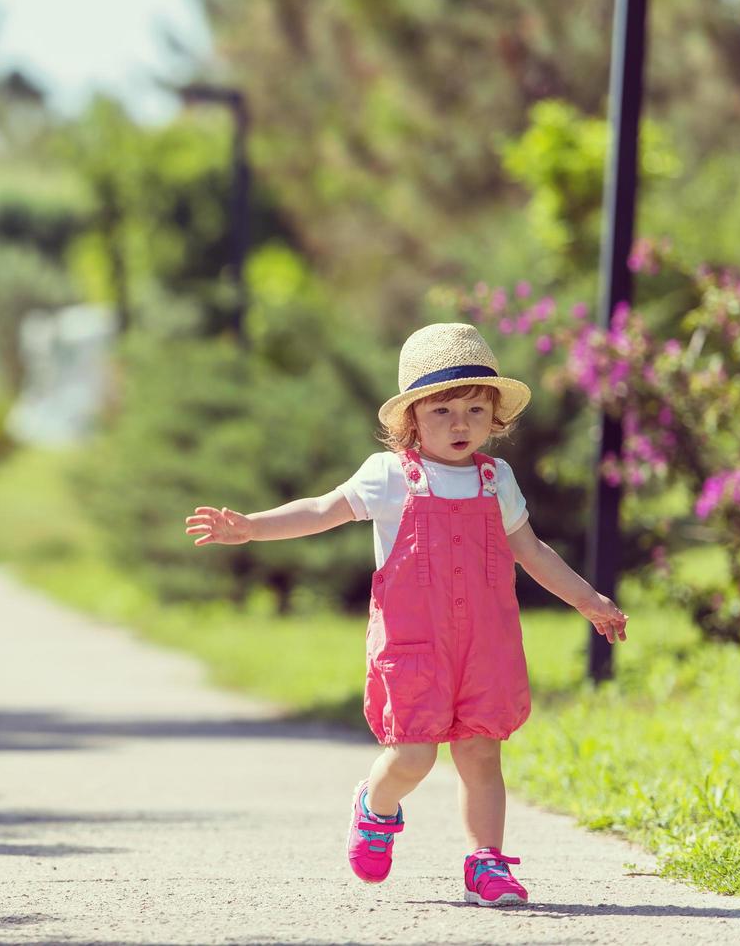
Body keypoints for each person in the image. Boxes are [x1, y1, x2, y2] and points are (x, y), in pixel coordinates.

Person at [183, 322, 628, 907]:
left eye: (475, 408)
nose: (461, 423)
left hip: (485, 646)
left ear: (494, 416)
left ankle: (485, 862)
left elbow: (532, 552)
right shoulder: (390, 476)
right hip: (415, 646)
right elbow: (322, 509)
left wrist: (588, 600)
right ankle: (376, 806)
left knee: (480, 750)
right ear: (411, 420)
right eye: (442, 410)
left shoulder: (498, 481)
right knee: (414, 753)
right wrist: (253, 528)